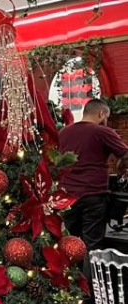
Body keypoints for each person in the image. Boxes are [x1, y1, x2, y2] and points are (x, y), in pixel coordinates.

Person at [59, 98, 128, 287]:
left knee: (67, 243)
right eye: (107, 116)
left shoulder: (63, 132)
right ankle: (87, 294)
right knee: (92, 246)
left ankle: (64, 290)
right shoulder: (101, 131)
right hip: (93, 196)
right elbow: (126, 154)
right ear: (101, 114)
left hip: (65, 197)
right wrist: (122, 166)